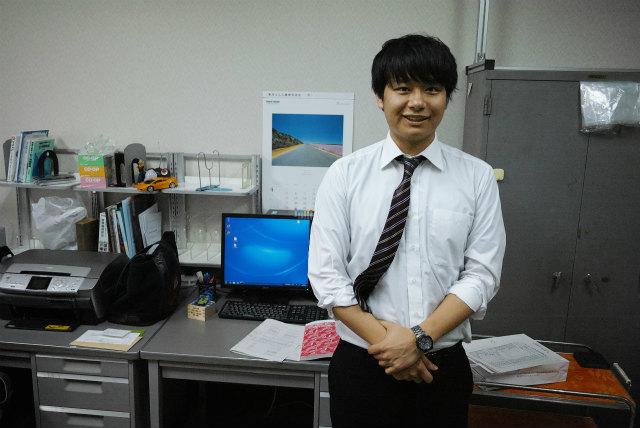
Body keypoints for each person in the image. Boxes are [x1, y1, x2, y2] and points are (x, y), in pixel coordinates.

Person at [308, 34, 506, 428]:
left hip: (441, 369)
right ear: (380, 97)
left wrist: (417, 340)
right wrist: (391, 346)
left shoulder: (477, 177)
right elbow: (327, 275)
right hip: (363, 365)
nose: (417, 102)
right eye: (402, 88)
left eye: (431, 89)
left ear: (446, 97)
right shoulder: (344, 175)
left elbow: (482, 274)